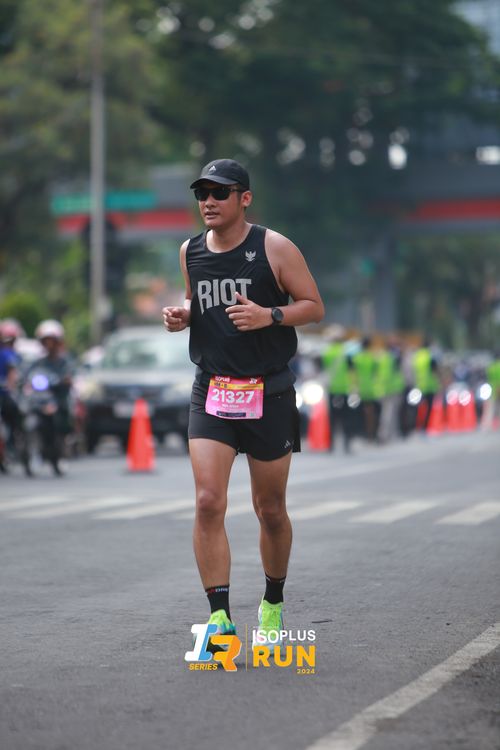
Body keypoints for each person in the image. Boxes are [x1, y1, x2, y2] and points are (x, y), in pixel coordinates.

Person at [162, 158, 324, 651]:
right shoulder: (190, 251)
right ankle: (220, 620)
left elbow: (313, 306)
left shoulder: (274, 247)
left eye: (220, 192)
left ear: (244, 199)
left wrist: (269, 315)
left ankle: (272, 601)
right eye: (202, 194)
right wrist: (184, 314)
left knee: (269, 508)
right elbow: (197, 301)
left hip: (268, 391)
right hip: (212, 390)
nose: (209, 202)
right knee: (208, 501)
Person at [322, 324, 355, 453]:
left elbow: (323, 368)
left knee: (332, 417)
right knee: (346, 416)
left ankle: (331, 444)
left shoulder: (327, 352)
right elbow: (352, 370)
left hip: (331, 388)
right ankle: (347, 444)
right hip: (344, 388)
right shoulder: (346, 352)